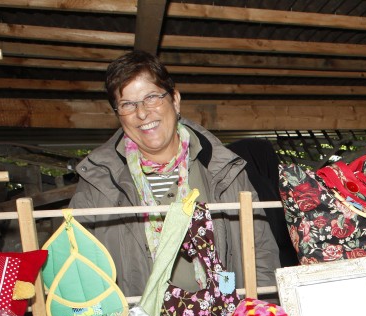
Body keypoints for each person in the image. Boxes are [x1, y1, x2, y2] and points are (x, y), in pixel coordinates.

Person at [68, 51, 279, 297]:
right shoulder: (98, 182)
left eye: (151, 97)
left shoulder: (223, 169)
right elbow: (77, 271)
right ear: (117, 113)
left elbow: (261, 252)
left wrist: (259, 311)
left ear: (175, 100)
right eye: (127, 104)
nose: (142, 113)